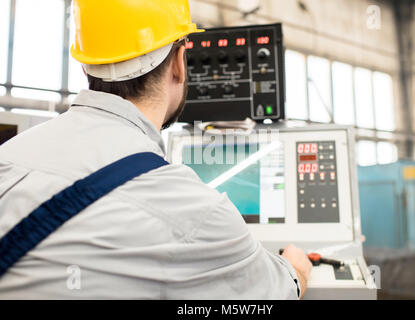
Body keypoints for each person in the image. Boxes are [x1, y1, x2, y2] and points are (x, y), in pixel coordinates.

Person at [0, 0, 312, 299]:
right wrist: (296, 268)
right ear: (178, 63)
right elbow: (274, 292)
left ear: (86, 66)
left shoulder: (8, 157)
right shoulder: (195, 211)